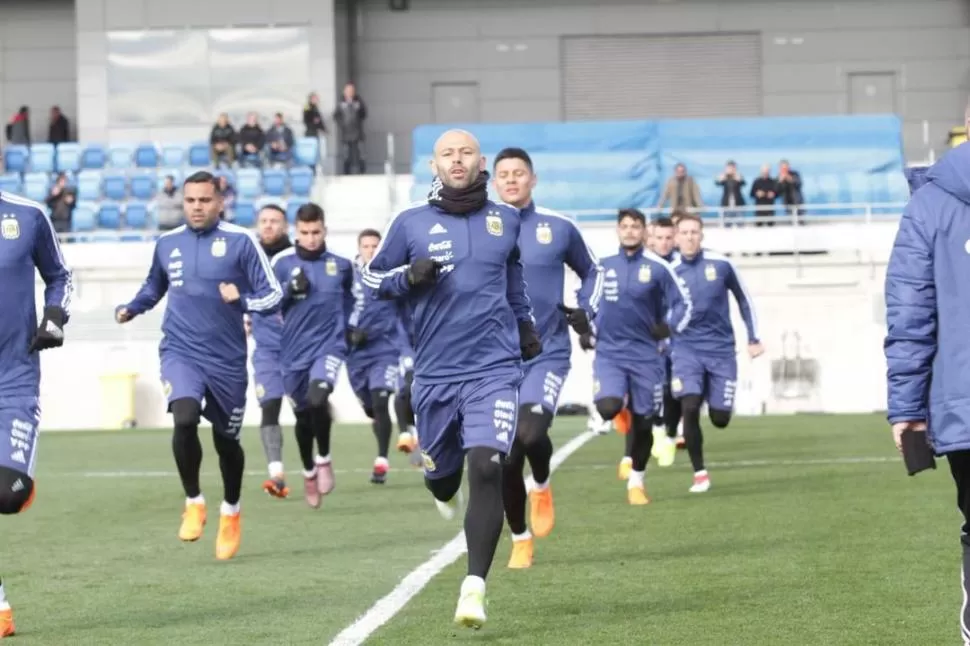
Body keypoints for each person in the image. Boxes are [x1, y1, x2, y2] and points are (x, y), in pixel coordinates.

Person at [363, 129, 540, 629]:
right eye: (448, 154)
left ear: (480, 160)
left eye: (466, 152)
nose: (457, 160)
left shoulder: (506, 219)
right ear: (434, 165)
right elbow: (372, 280)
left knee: (488, 466)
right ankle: (441, 489)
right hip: (437, 375)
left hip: (495, 369)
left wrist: (524, 324)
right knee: (443, 479)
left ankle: (473, 587)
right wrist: (407, 277)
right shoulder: (410, 223)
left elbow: (513, 281)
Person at [115, 171, 282, 560]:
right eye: (190, 200)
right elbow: (154, 287)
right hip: (181, 352)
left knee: (227, 442)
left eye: (204, 200)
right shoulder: (167, 243)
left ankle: (231, 511)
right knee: (185, 418)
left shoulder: (241, 242)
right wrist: (131, 308)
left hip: (227, 361)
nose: (196, 207)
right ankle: (194, 500)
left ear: (219, 202)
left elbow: (272, 295)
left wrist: (241, 298)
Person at [490, 146, 603, 569]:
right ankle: (520, 537)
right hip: (495, 359)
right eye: (504, 174)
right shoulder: (479, 230)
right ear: (494, 181)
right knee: (504, 454)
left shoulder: (558, 227)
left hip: (547, 352)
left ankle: (542, 483)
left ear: (532, 179)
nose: (512, 180)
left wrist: (585, 309)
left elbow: (593, 271)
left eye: (519, 173)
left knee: (531, 435)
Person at [884, 135, 970, 645]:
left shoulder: (928, 204)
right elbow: (911, 314)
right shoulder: (930, 204)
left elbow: (910, 315)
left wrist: (907, 409)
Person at [0, 192, 73, 637]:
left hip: (14, 378)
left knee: (8, 494)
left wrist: (55, 315)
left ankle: (20, 481)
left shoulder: (27, 216)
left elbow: (60, 275)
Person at [587, 209, 691, 503]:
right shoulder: (602, 266)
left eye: (635, 226)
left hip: (646, 356)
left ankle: (637, 481)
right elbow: (586, 298)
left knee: (644, 422)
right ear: (618, 230)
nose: (630, 231)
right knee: (607, 405)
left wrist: (669, 327)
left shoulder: (658, 268)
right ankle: (616, 405)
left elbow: (684, 304)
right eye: (625, 226)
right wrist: (584, 325)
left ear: (643, 232)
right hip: (609, 352)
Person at [670, 213, 763, 493]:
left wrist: (754, 337)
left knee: (720, 418)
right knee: (689, 406)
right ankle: (699, 473)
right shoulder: (669, 269)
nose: (689, 237)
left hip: (721, 350)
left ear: (701, 235)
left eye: (694, 232)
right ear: (676, 237)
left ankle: (714, 392)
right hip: (685, 349)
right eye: (684, 232)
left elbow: (744, 299)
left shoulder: (721, 264)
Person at [271, 203, 354, 508]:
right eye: (304, 233)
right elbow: (267, 303)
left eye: (316, 232)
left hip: (329, 347)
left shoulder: (342, 265)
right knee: (303, 417)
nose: (310, 238)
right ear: (296, 232)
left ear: (325, 230)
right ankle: (308, 471)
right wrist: (289, 290)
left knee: (319, 397)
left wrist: (351, 328)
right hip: (292, 354)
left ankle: (324, 458)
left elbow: (352, 298)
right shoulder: (282, 263)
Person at [347, 228, 408, 484]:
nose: (371, 250)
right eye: (366, 246)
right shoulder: (346, 276)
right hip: (356, 355)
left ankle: (381, 461)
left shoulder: (391, 274)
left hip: (386, 350)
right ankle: (402, 431)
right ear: (359, 249)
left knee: (381, 398)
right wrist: (348, 334)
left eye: (375, 246)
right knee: (372, 408)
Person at [245, 205, 293, 499]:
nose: (268, 226)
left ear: (285, 226)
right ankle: (276, 473)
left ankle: (317, 463)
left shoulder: (296, 257)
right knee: (270, 404)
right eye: (264, 221)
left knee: (309, 408)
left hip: (300, 347)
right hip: (266, 348)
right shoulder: (248, 258)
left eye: (274, 221)